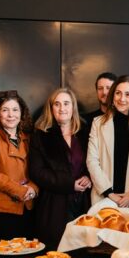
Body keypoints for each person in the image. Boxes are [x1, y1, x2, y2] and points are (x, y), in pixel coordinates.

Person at [29, 88, 92, 247]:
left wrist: (88, 177)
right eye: (57, 104)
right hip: (53, 204)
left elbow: (93, 161)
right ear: (51, 109)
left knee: (81, 250)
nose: (62, 108)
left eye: (66, 103)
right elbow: (37, 172)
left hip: (83, 202)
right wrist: (70, 184)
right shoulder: (41, 135)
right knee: (55, 252)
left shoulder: (86, 132)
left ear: (73, 107)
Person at [0, 90, 38, 242]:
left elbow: (38, 169)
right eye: (5, 110)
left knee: (23, 256)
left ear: (21, 113)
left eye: (15, 110)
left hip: (26, 206)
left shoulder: (28, 138)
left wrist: (33, 189)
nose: (11, 115)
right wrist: (20, 190)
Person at [86, 75, 129, 207]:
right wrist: (109, 193)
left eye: (127, 94)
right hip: (103, 197)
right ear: (112, 96)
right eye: (118, 93)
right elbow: (92, 161)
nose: (122, 99)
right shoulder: (97, 123)